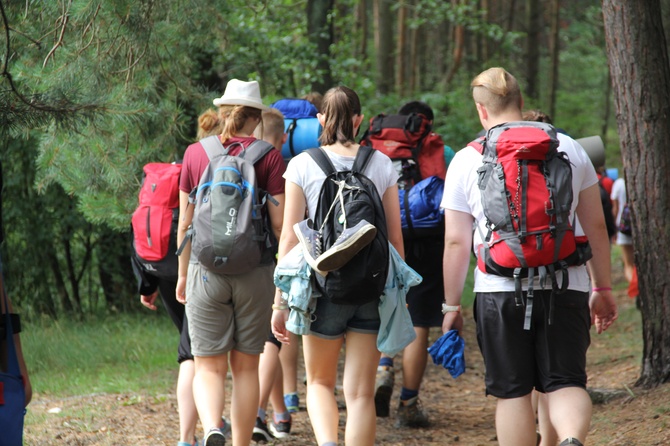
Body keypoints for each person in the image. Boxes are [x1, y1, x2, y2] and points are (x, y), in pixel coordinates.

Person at [440, 67, 618, 446]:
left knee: (512, 392)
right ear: (521, 102)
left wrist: (451, 306)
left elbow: (456, 242)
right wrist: (602, 286)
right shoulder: (571, 148)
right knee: (566, 382)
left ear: (481, 110)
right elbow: (596, 228)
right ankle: (570, 438)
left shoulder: (465, 161)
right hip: (566, 283)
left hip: (498, 289)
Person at [271, 85, 404, 446]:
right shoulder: (381, 164)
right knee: (360, 393)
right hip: (371, 286)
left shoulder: (301, 164)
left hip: (322, 288)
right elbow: (394, 238)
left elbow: (290, 239)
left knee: (319, 382)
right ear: (360, 120)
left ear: (320, 120)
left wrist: (279, 302)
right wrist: (397, 295)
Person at [176, 79, 286, 446]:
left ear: (223, 113)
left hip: (205, 271)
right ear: (256, 118)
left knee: (207, 365)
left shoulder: (195, 154)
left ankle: (210, 428)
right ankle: (239, 442)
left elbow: (185, 222)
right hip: (254, 272)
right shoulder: (268, 156)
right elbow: (279, 225)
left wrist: (182, 274)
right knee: (245, 368)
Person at [131, 108, 229, 446]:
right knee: (192, 355)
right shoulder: (215, 166)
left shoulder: (174, 169)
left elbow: (144, 228)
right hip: (194, 270)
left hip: (161, 270)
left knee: (193, 350)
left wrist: (147, 284)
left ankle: (204, 425)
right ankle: (188, 437)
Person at [374, 100, 446, 428]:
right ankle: (408, 403)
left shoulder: (376, 146)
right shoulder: (435, 147)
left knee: (383, 307)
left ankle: (383, 365)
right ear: (425, 123)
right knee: (419, 321)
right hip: (426, 239)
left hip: (381, 236)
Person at [250, 108, 294, 442]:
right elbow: (282, 226)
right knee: (270, 341)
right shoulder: (276, 161)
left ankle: (279, 412)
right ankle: (258, 413)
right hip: (267, 261)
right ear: (282, 137)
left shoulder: (233, 155)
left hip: (225, 262)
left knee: (266, 344)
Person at [610, 177, 635, 285]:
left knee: (628, 264)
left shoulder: (619, 183)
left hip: (624, 226)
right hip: (640, 224)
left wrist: (614, 229)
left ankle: (635, 287)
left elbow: (615, 208)